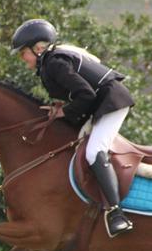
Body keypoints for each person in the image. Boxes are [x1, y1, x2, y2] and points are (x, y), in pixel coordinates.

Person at [10, 18, 136, 237]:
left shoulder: (54, 63)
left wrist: (64, 112)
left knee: (94, 151)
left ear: (38, 48)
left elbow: (85, 95)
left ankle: (117, 214)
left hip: (112, 103)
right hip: (100, 103)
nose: (23, 59)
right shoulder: (52, 61)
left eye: (24, 53)